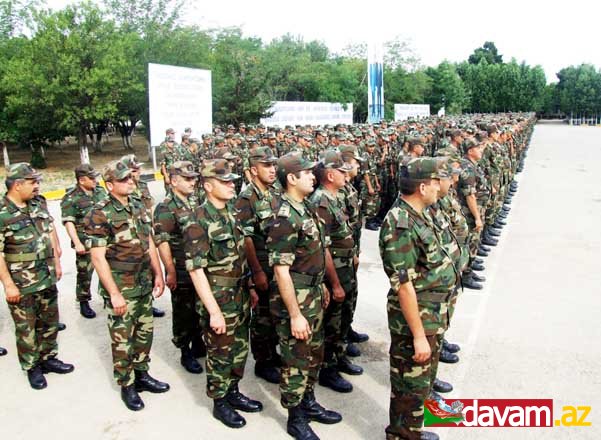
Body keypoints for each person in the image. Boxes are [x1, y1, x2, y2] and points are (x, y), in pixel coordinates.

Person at [379, 157, 459, 440]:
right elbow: (404, 286)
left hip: (433, 314)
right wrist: (418, 336)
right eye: (436, 182)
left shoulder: (421, 212)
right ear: (422, 186)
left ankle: (411, 429)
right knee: (408, 384)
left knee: (421, 382)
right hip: (417, 320)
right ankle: (402, 434)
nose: (441, 187)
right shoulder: (399, 223)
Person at [266, 152, 342, 440]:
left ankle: (308, 403)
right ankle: (295, 418)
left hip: (311, 291)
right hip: (295, 298)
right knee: (296, 358)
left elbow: (310, 254)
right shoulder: (284, 216)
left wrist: (320, 282)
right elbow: (281, 271)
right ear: (291, 179)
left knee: (313, 354)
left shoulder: (305, 207)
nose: (313, 176)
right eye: (307, 172)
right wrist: (295, 315)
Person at [184, 159, 263, 429]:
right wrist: (214, 311)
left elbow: (240, 254)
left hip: (239, 294)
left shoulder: (231, 212)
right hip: (218, 298)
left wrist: (250, 287)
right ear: (207, 186)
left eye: (232, 180)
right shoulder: (197, 221)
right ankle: (220, 402)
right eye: (225, 181)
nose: (232, 185)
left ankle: (233, 391)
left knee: (239, 349)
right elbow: (196, 271)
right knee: (219, 353)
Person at [85, 159, 168, 411]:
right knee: (122, 339)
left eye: (130, 178)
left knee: (144, 333)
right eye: (123, 180)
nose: (130, 182)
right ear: (109, 184)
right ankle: (127, 384)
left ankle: (142, 374)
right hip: (121, 285)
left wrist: (158, 273)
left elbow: (149, 241)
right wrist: (114, 294)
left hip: (143, 282)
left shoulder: (137, 204)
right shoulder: (99, 212)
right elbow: (98, 257)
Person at [0, 163, 74, 390]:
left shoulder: (38, 202)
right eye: (33, 182)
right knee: (26, 327)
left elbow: (49, 229)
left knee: (50, 320)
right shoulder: (2, 213)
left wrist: (57, 262)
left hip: (46, 273)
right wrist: (8, 285)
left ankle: (49, 357)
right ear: (17, 185)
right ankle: (32, 366)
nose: (37, 186)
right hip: (21, 281)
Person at [309, 151, 362, 395]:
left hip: (345, 267)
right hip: (334, 273)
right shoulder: (321, 201)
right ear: (330, 175)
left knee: (342, 319)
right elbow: (324, 246)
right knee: (331, 323)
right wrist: (335, 283)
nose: (346, 173)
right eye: (341, 171)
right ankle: (327, 369)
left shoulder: (336, 197)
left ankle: (338, 357)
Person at [233, 146, 282, 384]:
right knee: (262, 317)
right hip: (262, 266)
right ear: (253, 170)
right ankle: (263, 362)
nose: (272, 170)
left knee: (275, 313)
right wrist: (257, 272)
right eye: (267, 166)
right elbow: (246, 238)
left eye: (274, 165)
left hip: (277, 266)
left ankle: (273, 354)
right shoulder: (246, 198)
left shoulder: (274, 192)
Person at [153, 161, 205, 375]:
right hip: (181, 267)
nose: (193, 182)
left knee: (199, 307)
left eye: (194, 178)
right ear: (174, 181)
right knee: (184, 311)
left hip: (198, 265)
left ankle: (198, 341)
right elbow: (162, 241)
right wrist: (170, 271)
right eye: (187, 178)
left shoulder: (193, 200)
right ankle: (185, 350)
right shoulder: (166, 207)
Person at [60, 163, 108, 319]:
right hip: (85, 240)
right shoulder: (71, 197)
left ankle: (108, 296)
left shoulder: (100, 191)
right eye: (91, 178)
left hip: (104, 238)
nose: (95, 181)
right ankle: (83, 300)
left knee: (108, 269)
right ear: (81, 180)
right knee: (85, 273)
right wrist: (77, 242)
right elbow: (69, 222)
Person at [121, 154, 165, 318]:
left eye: (138, 169)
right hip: (130, 235)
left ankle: (149, 302)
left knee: (149, 267)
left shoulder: (143, 186)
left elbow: (150, 207)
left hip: (145, 229)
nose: (138, 172)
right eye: (134, 170)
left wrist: (155, 226)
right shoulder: (124, 189)